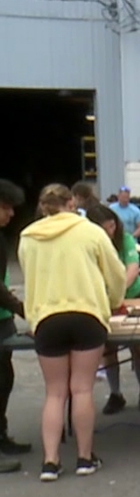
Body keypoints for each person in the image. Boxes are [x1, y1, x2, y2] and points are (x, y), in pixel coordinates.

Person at [19, 184, 126, 481]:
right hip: (86, 315)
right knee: (82, 389)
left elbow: (29, 279)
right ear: (71, 202)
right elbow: (116, 272)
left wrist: (33, 316)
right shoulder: (90, 231)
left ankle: (50, 462)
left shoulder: (28, 237)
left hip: (47, 318)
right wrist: (115, 300)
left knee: (55, 393)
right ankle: (84, 458)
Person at [84, 205, 140, 414]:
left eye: (113, 225)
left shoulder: (125, 240)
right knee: (109, 348)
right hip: (102, 300)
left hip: (131, 296)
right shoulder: (90, 242)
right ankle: (116, 394)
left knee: (138, 346)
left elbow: (132, 268)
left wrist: (118, 292)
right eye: (106, 228)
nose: (111, 231)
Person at [0, 180, 29, 468]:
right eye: (5, 207)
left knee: (5, 380)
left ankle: (2, 436)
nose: (10, 214)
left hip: (3, 320)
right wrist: (22, 309)